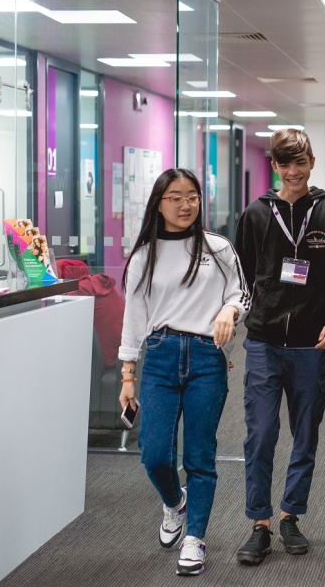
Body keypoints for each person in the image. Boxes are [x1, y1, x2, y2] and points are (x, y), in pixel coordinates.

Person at [233, 128, 325, 565]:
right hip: (264, 343)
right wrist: (236, 318)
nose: (293, 171)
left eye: (300, 162)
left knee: (305, 434)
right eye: (284, 163)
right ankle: (259, 523)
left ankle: (291, 515)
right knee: (260, 434)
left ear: (311, 162)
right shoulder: (256, 214)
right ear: (274, 165)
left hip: (313, 344)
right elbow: (240, 277)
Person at [118, 168, 249, 577]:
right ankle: (175, 502)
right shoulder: (144, 255)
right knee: (154, 453)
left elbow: (241, 293)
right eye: (175, 197)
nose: (185, 204)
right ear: (159, 203)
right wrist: (127, 374)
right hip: (158, 356)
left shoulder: (217, 247)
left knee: (199, 455)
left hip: (206, 358)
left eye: (191, 196)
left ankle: (195, 538)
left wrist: (230, 310)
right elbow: (135, 315)